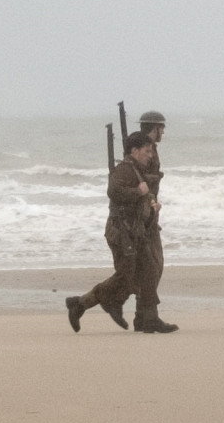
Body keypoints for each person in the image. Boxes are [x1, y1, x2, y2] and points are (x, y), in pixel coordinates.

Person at [66, 125, 171, 334]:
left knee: (148, 271)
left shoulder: (137, 170)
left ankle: (149, 319)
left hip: (135, 231)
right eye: (147, 151)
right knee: (127, 277)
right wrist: (138, 192)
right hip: (121, 232)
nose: (150, 155)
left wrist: (151, 204)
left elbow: (143, 195)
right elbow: (113, 191)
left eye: (151, 151)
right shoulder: (124, 169)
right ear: (134, 151)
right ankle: (80, 304)